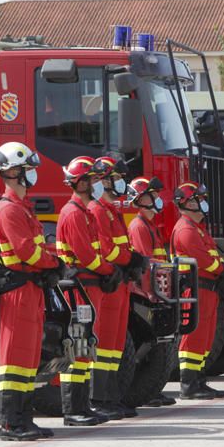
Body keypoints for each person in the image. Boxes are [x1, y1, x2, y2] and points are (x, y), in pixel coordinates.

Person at [0, 142, 63, 441]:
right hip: (18, 289)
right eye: (28, 170)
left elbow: (38, 248)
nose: (32, 175)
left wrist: (50, 261)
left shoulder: (22, 208)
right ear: (13, 172)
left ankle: (24, 417)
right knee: (15, 357)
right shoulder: (8, 210)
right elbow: (26, 252)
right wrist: (51, 263)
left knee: (30, 356)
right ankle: (10, 422)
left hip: (30, 287)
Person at [56, 156, 121, 426]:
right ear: (80, 183)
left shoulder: (83, 212)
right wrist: (109, 270)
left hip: (89, 286)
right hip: (81, 286)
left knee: (85, 346)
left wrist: (105, 270)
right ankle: (73, 409)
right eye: (93, 179)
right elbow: (85, 255)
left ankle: (82, 406)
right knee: (77, 346)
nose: (97, 184)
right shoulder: (72, 214)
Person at [87, 156, 145, 419]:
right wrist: (130, 259)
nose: (122, 183)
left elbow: (120, 247)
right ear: (105, 180)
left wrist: (131, 260)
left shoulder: (113, 210)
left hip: (120, 283)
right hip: (109, 284)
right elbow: (107, 249)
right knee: (104, 342)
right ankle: (99, 398)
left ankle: (111, 396)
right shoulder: (99, 210)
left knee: (115, 343)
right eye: (118, 178)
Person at [171, 181, 224, 399]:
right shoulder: (186, 229)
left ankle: (199, 379)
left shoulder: (198, 229)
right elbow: (203, 259)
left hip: (208, 288)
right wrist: (222, 270)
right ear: (187, 203)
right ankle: (188, 384)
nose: (204, 203)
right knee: (194, 336)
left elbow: (212, 256)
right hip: (195, 287)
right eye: (200, 199)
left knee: (206, 336)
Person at [126, 176, 177, 407]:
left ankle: (152, 389)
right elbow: (145, 265)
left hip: (159, 291)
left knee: (159, 344)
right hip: (150, 292)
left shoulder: (150, 226)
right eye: (152, 195)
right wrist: (150, 294)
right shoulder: (138, 226)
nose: (157, 199)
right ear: (140, 199)